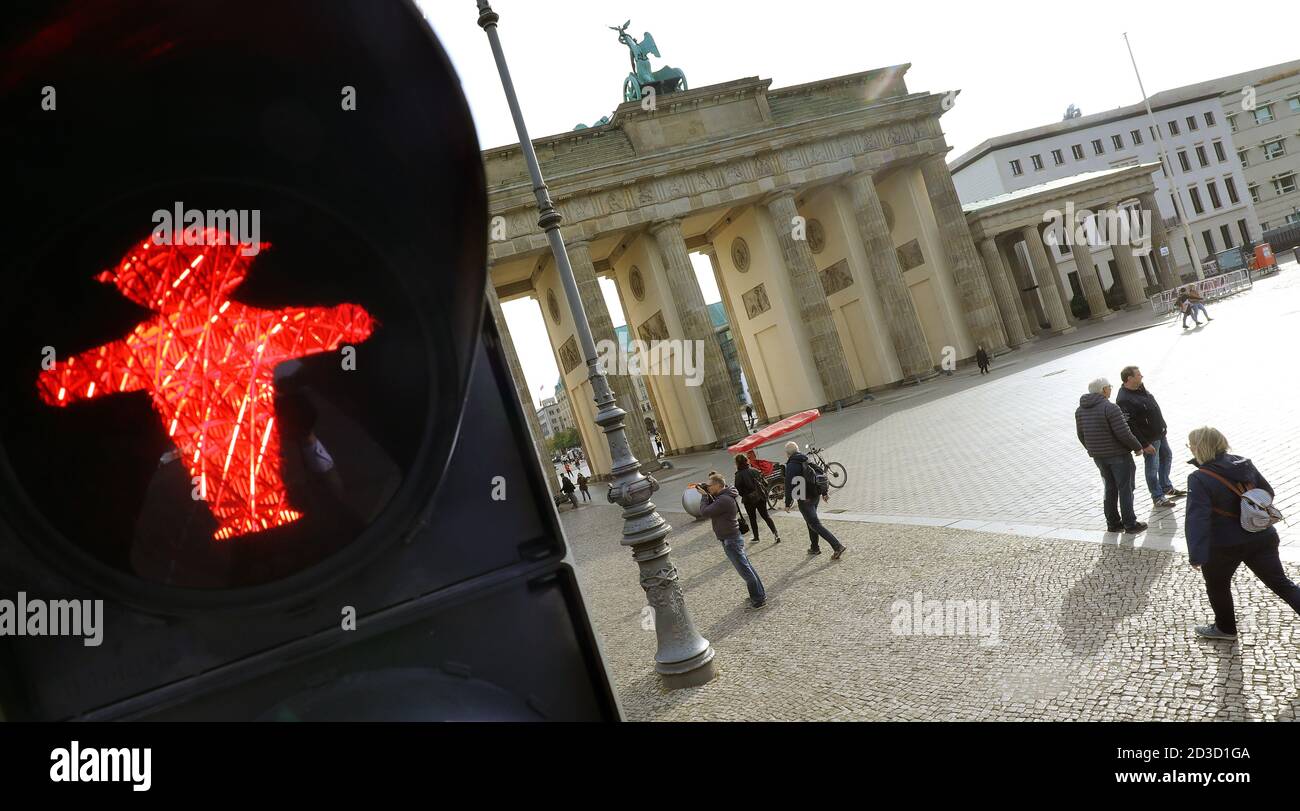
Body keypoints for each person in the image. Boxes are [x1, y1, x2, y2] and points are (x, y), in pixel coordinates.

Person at [1184, 426, 1300, 641]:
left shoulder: (1199, 478)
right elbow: (1268, 492)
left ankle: (1225, 629)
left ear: (1199, 448)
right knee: (1281, 583)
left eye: (1190, 445)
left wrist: (1197, 554)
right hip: (1261, 536)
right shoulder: (1243, 463)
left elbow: (1197, 518)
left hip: (1223, 545)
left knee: (1218, 586)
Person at [1075, 378, 1153, 534]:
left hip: (1099, 457)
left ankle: (1113, 523)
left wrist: (1093, 450)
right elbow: (1124, 433)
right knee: (1125, 488)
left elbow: (1081, 435)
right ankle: (1130, 523)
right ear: (1104, 390)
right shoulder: (1110, 408)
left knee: (1109, 488)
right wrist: (1138, 447)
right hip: (1118, 455)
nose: (1110, 389)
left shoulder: (1080, 410)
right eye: (1109, 387)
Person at [1116, 365, 1184, 510]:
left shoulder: (1140, 389)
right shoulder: (1123, 399)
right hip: (1149, 439)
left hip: (1159, 434)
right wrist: (1144, 444)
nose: (1142, 376)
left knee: (1167, 456)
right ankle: (1157, 497)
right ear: (1130, 378)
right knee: (1152, 467)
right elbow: (1130, 425)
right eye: (1139, 375)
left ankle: (1166, 486)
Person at [698, 472, 766, 608]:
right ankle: (759, 594)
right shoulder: (724, 495)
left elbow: (705, 512)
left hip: (731, 540)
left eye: (710, 486)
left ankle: (758, 600)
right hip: (732, 538)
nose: (708, 488)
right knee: (748, 568)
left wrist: (705, 496)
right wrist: (708, 492)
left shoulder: (724, 500)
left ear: (718, 485)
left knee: (745, 572)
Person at [783, 441, 848, 559]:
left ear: (787, 454)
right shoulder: (806, 459)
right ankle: (814, 547)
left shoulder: (791, 465)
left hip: (804, 497)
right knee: (811, 522)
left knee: (814, 523)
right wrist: (824, 492)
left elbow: (788, 485)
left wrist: (787, 503)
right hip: (815, 495)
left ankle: (837, 546)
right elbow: (820, 475)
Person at [734, 453, 780, 546]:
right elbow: (764, 483)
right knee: (766, 516)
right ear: (746, 460)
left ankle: (756, 537)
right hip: (760, 497)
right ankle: (776, 534)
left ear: (737, 463)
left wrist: (744, 494)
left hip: (748, 499)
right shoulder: (754, 471)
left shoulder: (738, 475)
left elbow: (738, 490)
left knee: (752, 518)